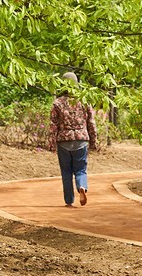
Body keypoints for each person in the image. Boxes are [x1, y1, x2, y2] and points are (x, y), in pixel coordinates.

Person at [49, 72, 98, 207]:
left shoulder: (57, 103)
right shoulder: (84, 101)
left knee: (66, 172)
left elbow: (53, 125)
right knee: (81, 169)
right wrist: (93, 141)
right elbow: (91, 123)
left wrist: (51, 144)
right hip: (81, 140)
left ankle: (69, 200)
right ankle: (82, 186)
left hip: (63, 141)